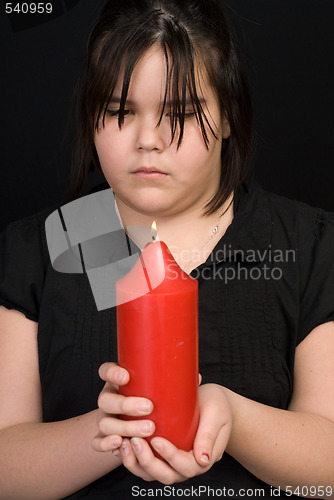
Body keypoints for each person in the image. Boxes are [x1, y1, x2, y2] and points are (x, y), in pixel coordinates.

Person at [1, 0, 334, 499]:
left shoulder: (305, 244)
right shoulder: (42, 248)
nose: (148, 140)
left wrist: (230, 417)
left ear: (227, 116)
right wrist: (111, 430)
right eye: (120, 111)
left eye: (179, 113)